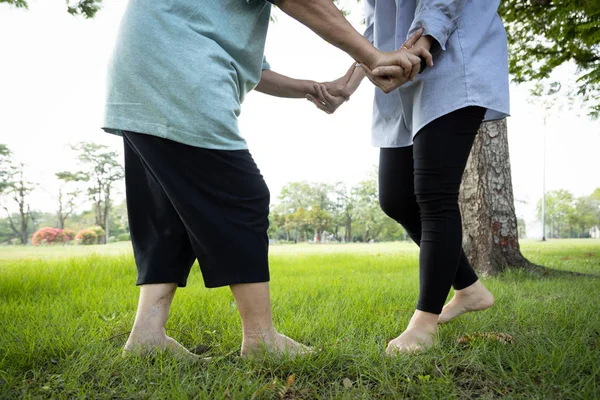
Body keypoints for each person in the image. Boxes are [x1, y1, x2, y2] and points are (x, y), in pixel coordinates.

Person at [102, 0, 431, 358]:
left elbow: (250, 69)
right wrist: (372, 55)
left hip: (142, 75)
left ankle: (147, 335)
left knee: (169, 216)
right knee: (242, 196)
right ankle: (261, 339)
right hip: (177, 72)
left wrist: (312, 88)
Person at [311, 0, 510, 353]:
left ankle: (424, 324)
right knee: (396, 197)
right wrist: (350, 82)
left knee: (435, 194)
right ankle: (469, 288)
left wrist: (425, 39)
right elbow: (375, 23)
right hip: (396, 70)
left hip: (448, 55)